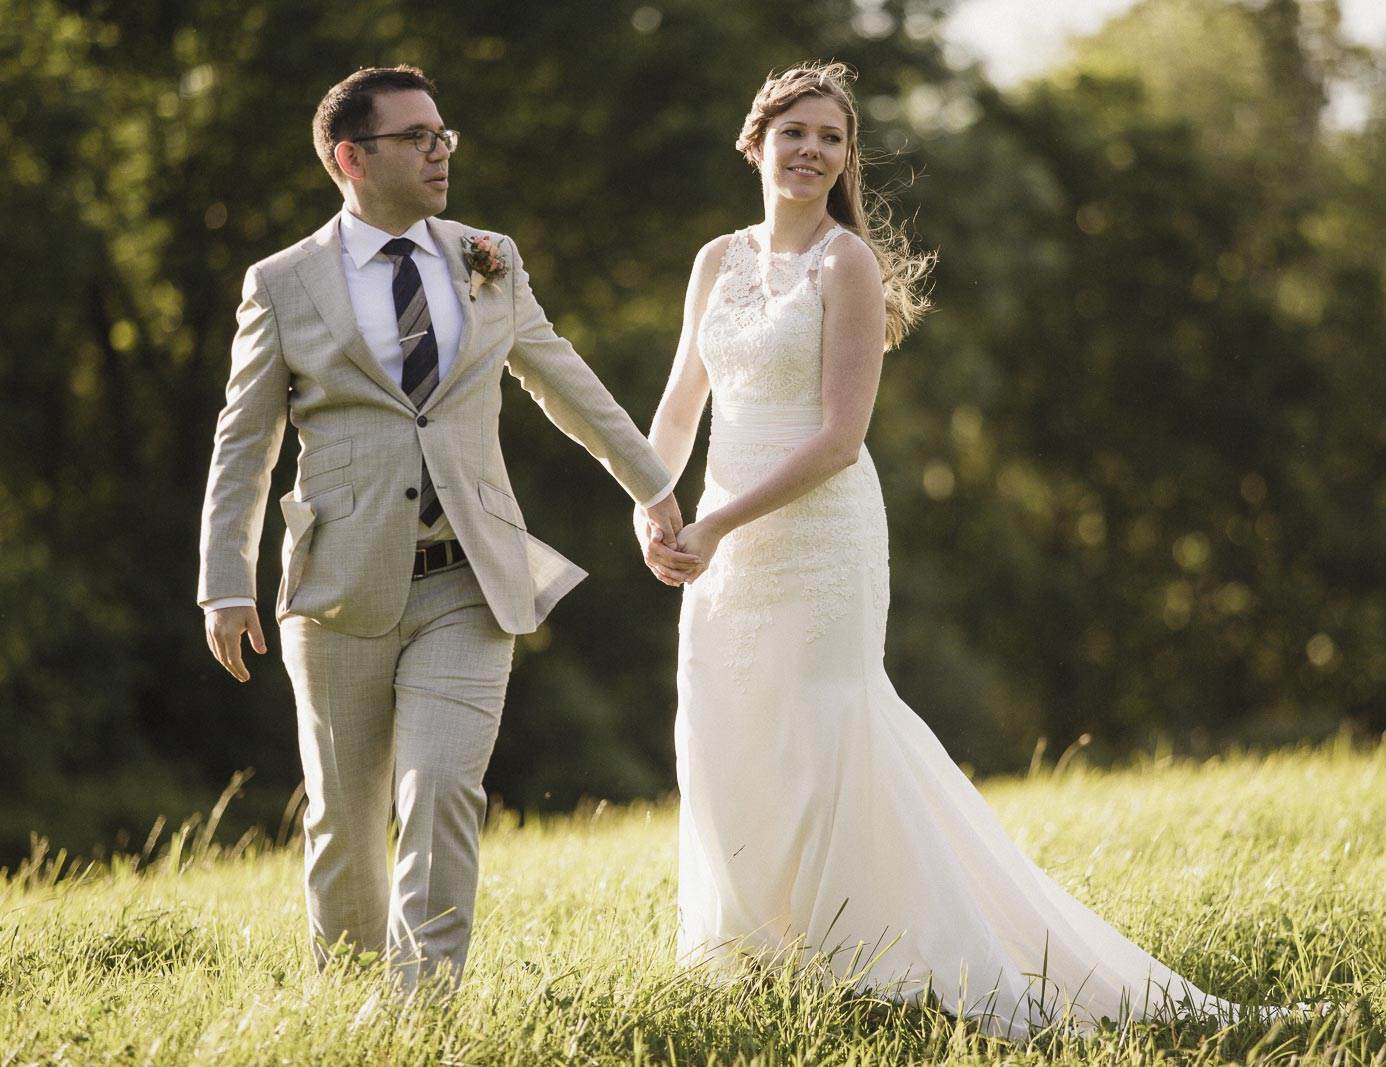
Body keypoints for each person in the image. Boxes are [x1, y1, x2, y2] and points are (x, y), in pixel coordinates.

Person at [637, 62, 1281, 1038]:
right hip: (721, 534)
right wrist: (655, 500)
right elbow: (683, 401)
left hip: (814, 531)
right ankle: (758, 954)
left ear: (846, 159)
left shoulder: (845, 265)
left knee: (824, 730)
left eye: (831, 138)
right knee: (725, 728)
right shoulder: (715, 261)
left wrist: (718, 522)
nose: (811, 150)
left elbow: (839, 438)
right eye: (794, 132)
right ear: (754, 141)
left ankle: (877, 950)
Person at [198, 65, 683, 989]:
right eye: (415, 137)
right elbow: (242, 444)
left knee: (441, 792)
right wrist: (225, 579)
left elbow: (563, 381)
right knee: (345, 818)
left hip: (473, 579)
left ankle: (426, 1013)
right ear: (351, 157)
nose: (439, 151)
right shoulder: (283, 283)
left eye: (442, 133)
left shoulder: (486, 254)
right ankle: (348, 1006)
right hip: (339, 589)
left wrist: (654, 487)